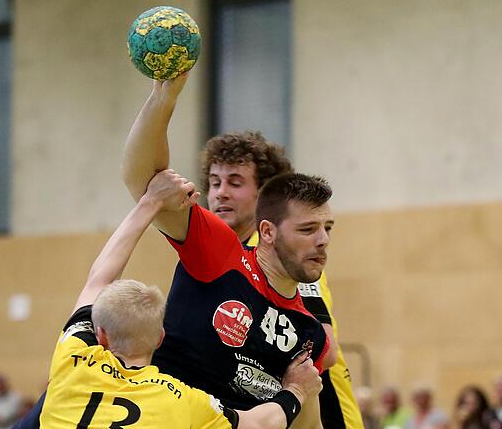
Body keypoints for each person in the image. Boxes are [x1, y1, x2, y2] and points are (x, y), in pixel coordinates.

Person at [121, 72, 363, 429]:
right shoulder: (218, 248)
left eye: (235, 183)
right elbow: (142, 180)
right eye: (215, 182)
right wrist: (164, 99)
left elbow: (317, 377)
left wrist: (288, 392)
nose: (220, 193)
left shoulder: (305, 324)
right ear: (268, 230)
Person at [40, 169, 322, 428]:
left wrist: (148, 203)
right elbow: (256, 425)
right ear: (161, 338)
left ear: (100, 335)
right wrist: (295, 391)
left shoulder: (74, 357)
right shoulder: (181, 400)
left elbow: (98, 279)